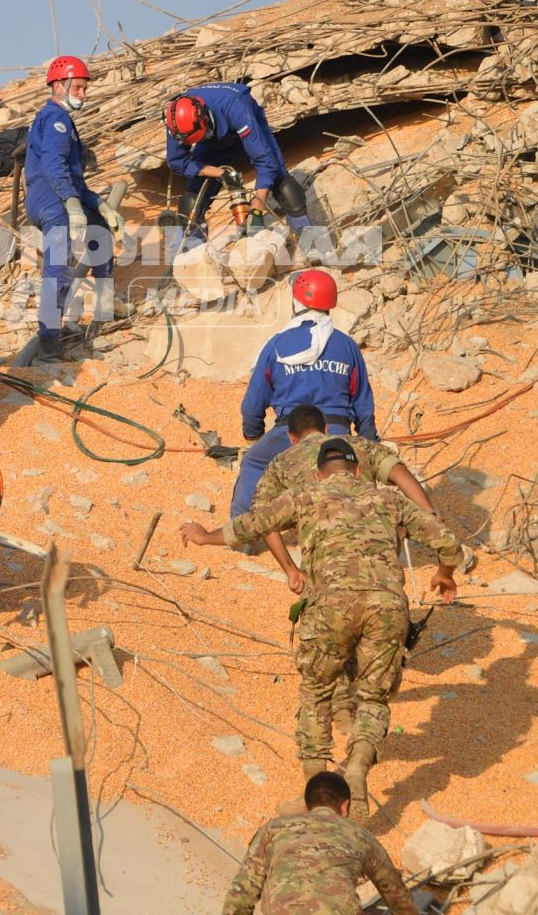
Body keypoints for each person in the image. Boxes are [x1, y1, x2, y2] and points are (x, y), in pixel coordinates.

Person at [182, 437, 459, 811]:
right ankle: (358, 767)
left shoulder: (305, 495)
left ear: (318, 472)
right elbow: (448, 541)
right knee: (374, 696)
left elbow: (250, 525)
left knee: (316, 692)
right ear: (358, 470)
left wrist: (204, 538)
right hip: (387, 607)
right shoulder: (389, 500)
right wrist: (444, 574)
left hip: (329, 606)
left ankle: (317, 790)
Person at [231, 270, 376, 519]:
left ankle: (243, 533)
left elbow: (253, 404)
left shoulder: (277, 344)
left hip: (292, 432)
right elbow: (363, 403)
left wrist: (252, 436)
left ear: (297, 302)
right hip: (337, 432)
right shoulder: (347, 345)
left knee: (254, 462)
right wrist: (369, 443)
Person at [251, 404, 438, 587]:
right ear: (326, 428)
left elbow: (263, 519)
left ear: (291, 438)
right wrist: (430, 514)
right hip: (380, 569)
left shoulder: (280, 463)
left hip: (324, 574)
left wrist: (291, 571)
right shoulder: (360, 445)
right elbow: (398, 472)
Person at [25, 55, 121, 361]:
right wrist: (70, 203)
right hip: (48, 197)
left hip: (60, 193)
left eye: (84, 88)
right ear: (58, 85)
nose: (83, 94)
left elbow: (72, 178)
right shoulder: (56, 119)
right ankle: (49, 343)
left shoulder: (63, 120)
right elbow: (54, 166)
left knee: (102, 236)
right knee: (59, 267)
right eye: (77, 88)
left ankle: (103, 313)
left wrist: (99, 204)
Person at [223, 771, 418, 915]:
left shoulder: (272, 829)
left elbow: (241, 893)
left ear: (307, 806)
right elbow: (396, 894)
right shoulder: (360, 835)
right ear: (345, 806)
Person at [164, 83, 318, 249]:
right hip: (211, 143)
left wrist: (257, 209)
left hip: (245, 127)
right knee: (191, 203)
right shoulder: (177, 121)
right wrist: (219, 173)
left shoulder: (236, 107)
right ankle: (195, 255)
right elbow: (177, 161)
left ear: (205, 119)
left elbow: (264, 161)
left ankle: (310, 244)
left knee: (285, 186)